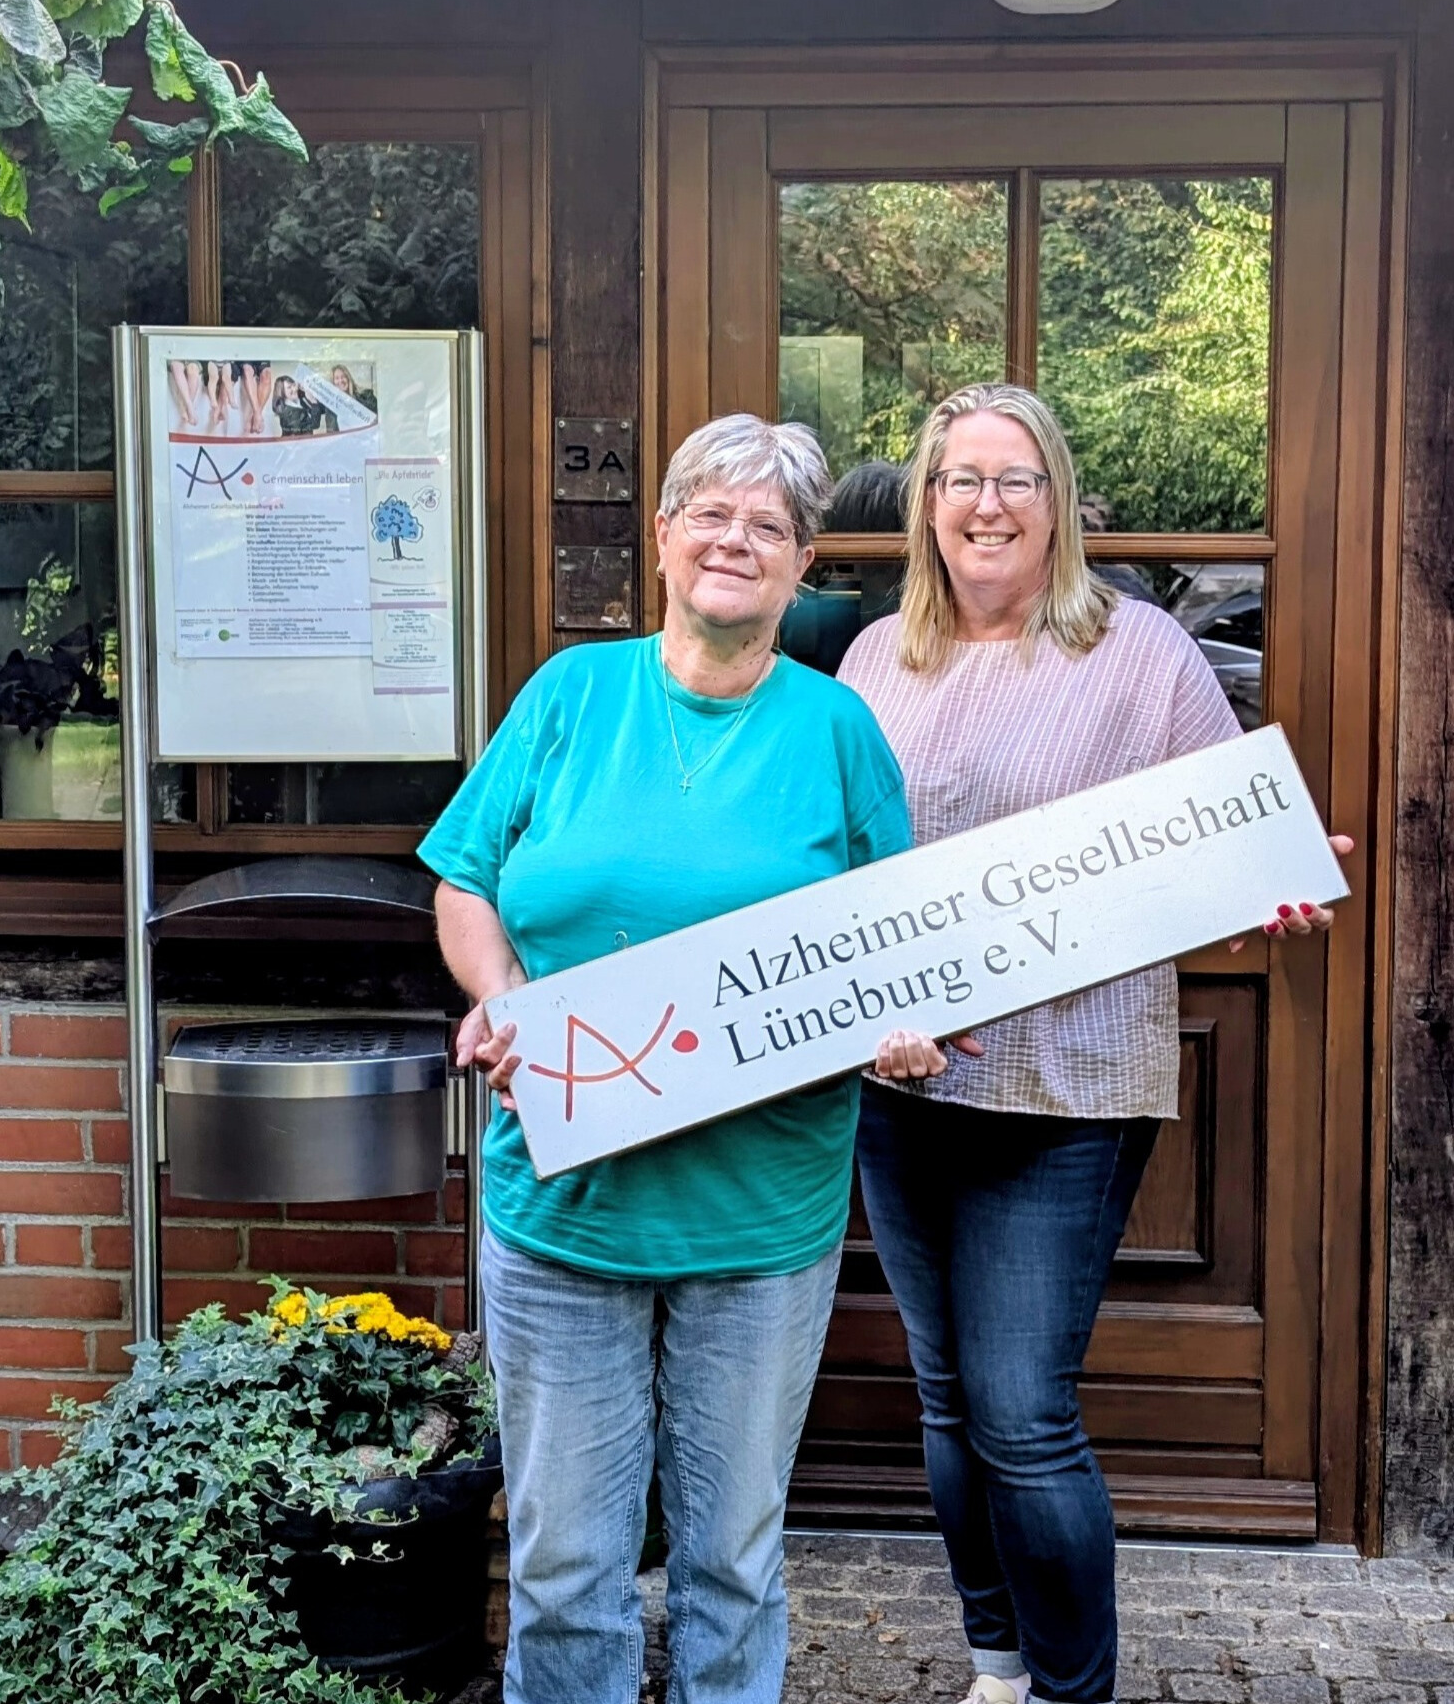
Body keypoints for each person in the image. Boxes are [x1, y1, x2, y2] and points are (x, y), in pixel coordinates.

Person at [839, 382, 1353, 1704]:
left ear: (1057, 501)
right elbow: (833, 871)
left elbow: (1219, 845)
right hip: (903, 1083)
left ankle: (1076, 1692)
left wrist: (1272, 873)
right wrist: (859, 1014)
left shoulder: (1137, 654)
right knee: (949, 1403)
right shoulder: (874, 658)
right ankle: (997, 1668)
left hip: (1063, 1087)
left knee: (1020, 1412)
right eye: (961, 479)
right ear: (927, 503)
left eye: (1016, 478)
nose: (987, 504)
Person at [425, 413, 943, 1704]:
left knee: (731, 1560)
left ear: (802, 562)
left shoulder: (836, 730)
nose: (735, 539)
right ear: (661, 537)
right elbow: (464, 880)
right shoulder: (569, 695)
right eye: (710, 512)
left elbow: (913, 936)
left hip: (760, 1215)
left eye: (768, 524)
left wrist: (910, 1022)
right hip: (564, 1206)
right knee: (564, 1563)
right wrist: (498, 996)